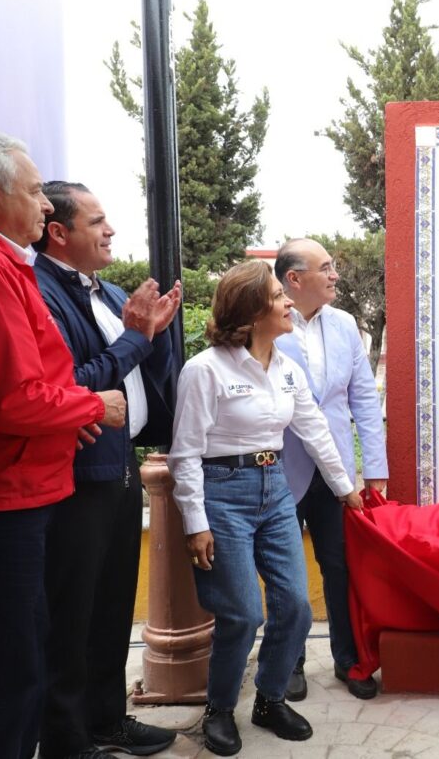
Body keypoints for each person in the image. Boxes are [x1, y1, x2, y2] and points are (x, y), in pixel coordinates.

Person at [0, 128, 126, 759]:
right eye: (33, 192)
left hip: (20, 490)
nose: (47, 206)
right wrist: (91, 405)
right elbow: (11, 397)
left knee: (19, 665)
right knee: (3, 682)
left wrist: (66, 411)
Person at [167, 261, 362, 756]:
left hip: (274, 488)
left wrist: (345, 488)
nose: (289, 303)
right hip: (222, 491)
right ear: (253, 312)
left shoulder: (286, 367)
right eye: (279, 296)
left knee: (295, 605)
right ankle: (220, 708)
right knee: (242, 614)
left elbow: (314, 429)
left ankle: (269, 699)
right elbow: (186, 453)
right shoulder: (205, 369)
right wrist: (196, 524)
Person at [32, 181, 182, 758]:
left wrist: (158, 336)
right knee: (71, 617)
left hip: (120, 468)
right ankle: (67, 741)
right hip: (75, 480)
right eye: (97, 222)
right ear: (60, 232)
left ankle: (107, 719)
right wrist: (137, 337)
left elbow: (143, 372)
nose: (110, 230)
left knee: (114, 607)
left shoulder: (113, 291)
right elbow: (72, 385)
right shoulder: (42, 293)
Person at [274, 238, 388, 701]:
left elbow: (363, 398)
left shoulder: (345, 326)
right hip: (282, 470)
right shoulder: (266, 320)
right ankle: (290, 662)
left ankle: (349, 659)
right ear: (294, 279)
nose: (335, 275)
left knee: (340, 567)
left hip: (336, 469)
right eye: (326, 268)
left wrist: (374, 468)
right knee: (285, 573)